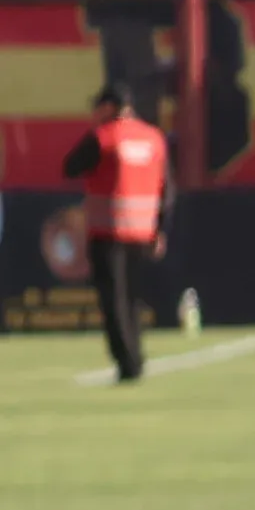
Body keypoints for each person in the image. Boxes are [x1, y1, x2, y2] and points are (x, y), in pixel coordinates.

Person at [57, 78, 167, 383]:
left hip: (109, 233)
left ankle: (128, 364)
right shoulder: (154, 138)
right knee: (131, 298)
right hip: (142, 233)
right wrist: (160, 229)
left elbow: (70, 166)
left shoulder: (105, 138)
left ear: (109, 107)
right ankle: (136, 356)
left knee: (113, 301)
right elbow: (167, 189)